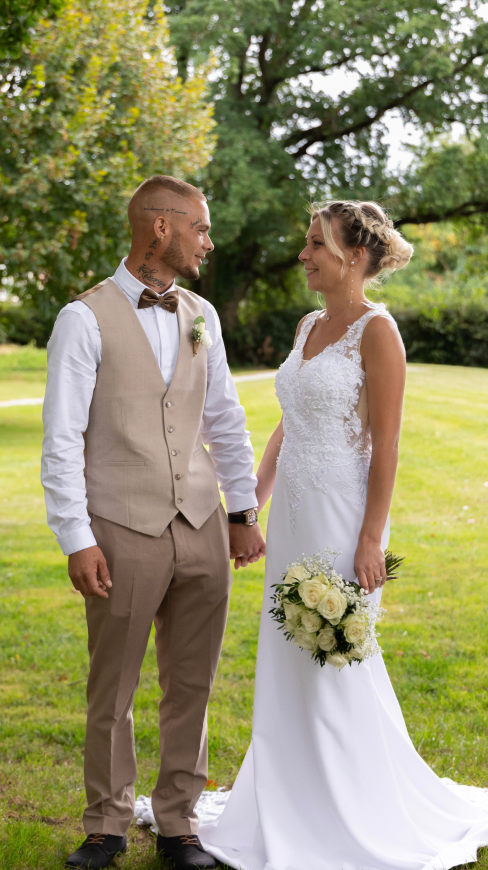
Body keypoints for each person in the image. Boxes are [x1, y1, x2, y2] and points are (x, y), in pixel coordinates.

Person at [195, 200, 488, 869]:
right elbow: (286, 424)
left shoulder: (378, 333)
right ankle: (286, 798)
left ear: (353, 256)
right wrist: (249, 506)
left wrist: (369, 539)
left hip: (339, 520)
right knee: (285, 656)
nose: (303, 256)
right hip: (292, 516)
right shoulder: (307, 325)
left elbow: (387, 445)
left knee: (332, 660)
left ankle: (350, 810)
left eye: (314, 244)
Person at [41, 175, 266, 870]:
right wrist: (76, 537)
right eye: (199, 227)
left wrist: (240, 509)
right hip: (120, 525)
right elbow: (61, 438)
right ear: (159, 228)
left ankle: (178, 824)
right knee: (114, 685)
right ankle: (106, 825)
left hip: (200, 520)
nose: (209, 240)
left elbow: (225, 417)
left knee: (191, 682)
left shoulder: (203, 313)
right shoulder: (83, 318)